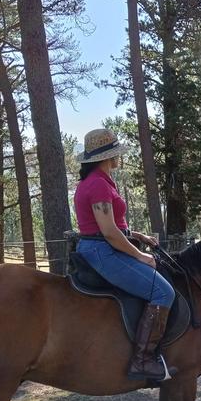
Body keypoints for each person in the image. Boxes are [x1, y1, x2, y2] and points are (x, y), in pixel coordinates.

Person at [74, 128, 176, 382]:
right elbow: (108, 232)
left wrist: (139, 236)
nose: (118, 156)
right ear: (108, 156)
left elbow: (112, 225)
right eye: (115, 152)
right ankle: (143, 360)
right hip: (103, 250)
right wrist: (140, 256)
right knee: (163, 292)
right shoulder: (98, 184)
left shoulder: (99, 181)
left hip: (101, 245)